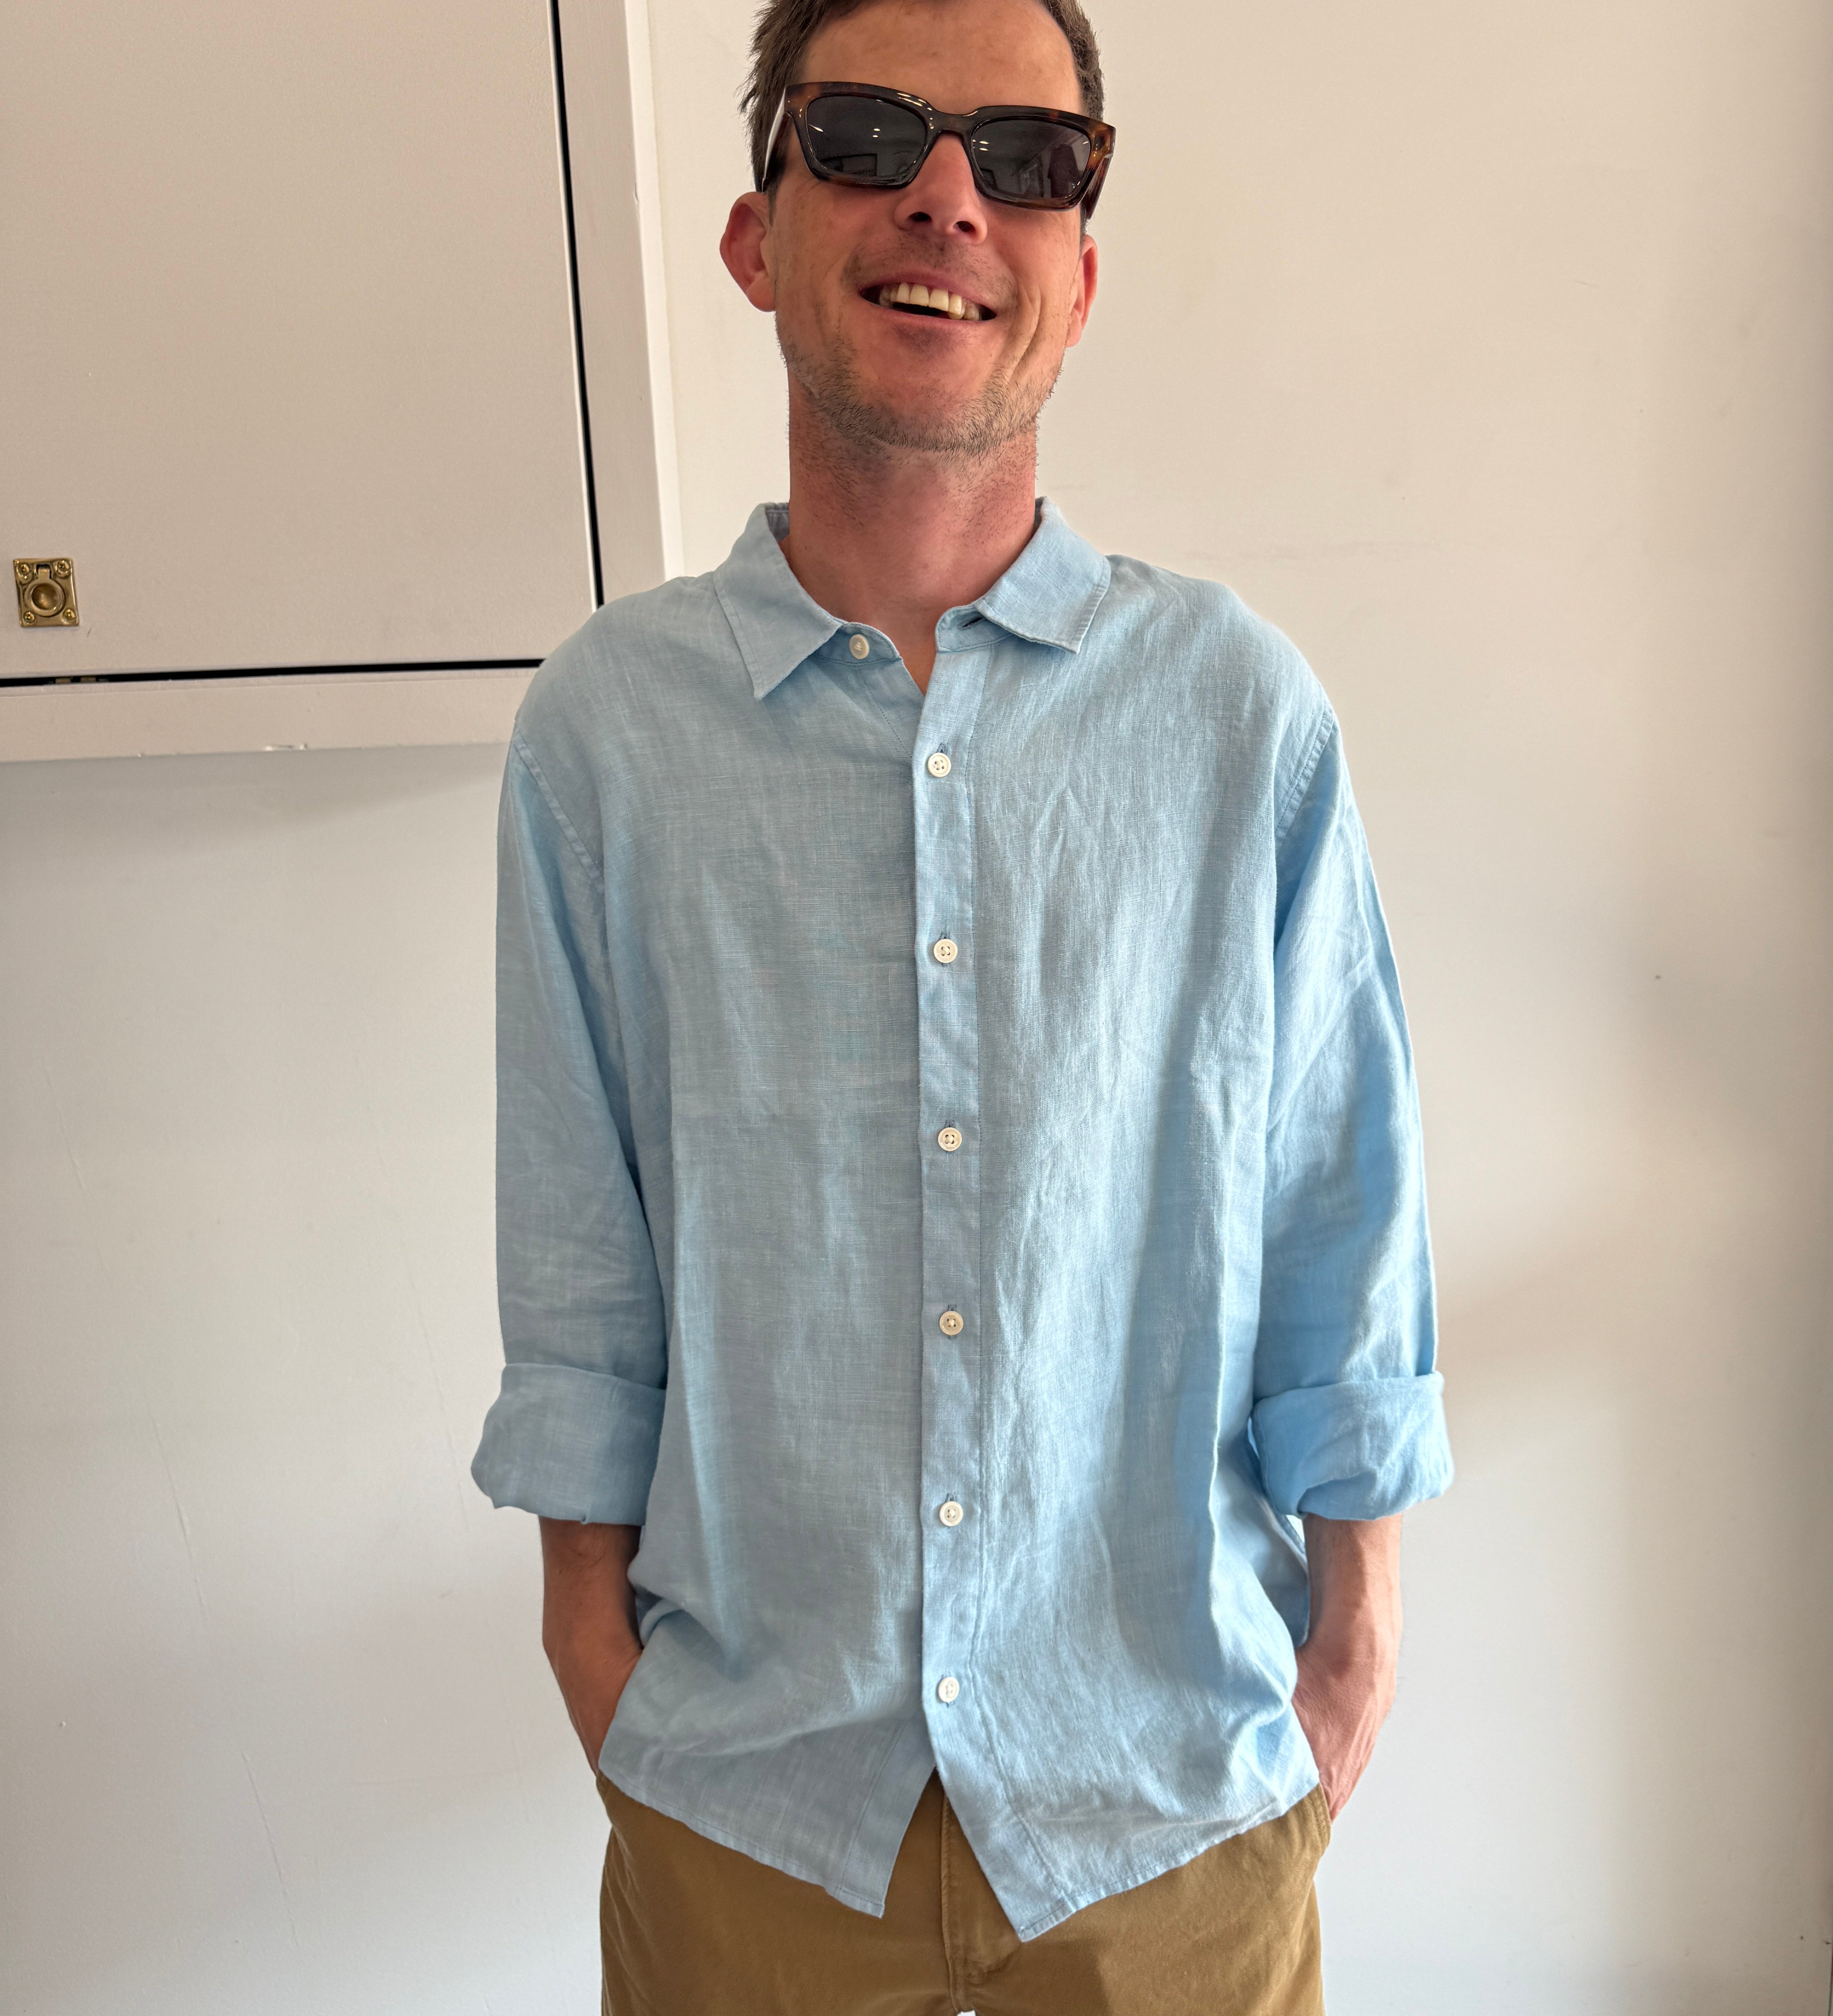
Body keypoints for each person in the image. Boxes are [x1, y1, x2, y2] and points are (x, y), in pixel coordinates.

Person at [471, 0, 1454, 2007]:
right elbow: (579, 1256)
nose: (948, 194)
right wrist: (601, 1664)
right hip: (748, 1821)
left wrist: (1350, 1659)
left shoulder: (1234, 713)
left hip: (1167, 1816)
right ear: (759, 233)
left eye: (1026, 159)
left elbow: (1339, 1212)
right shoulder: (609, 733)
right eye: (867, 133)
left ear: (1079, 274)